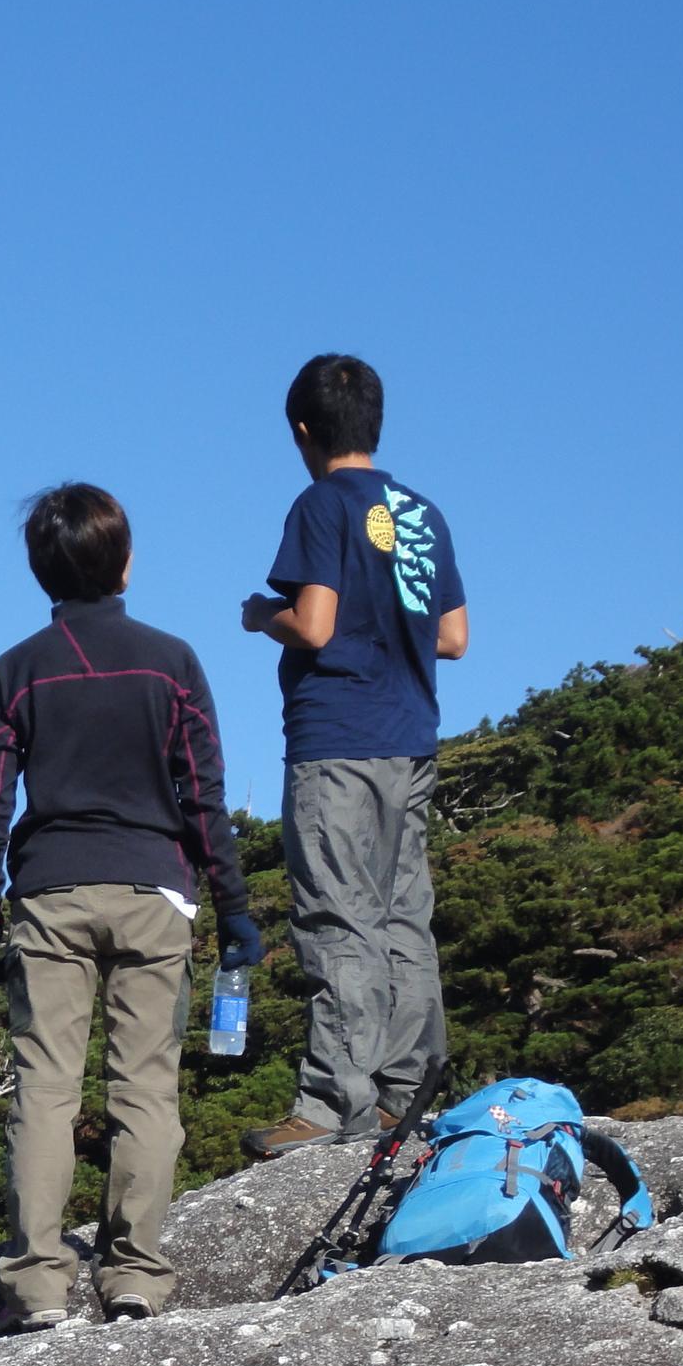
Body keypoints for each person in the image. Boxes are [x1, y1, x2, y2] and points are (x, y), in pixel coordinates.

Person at [0, 484, 260, 1332]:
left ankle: (38, 1286)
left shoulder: (16, 669)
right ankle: (133, 1275)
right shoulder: (173, 662)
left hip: (50, 892)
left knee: (45, 1090)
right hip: (153, 892)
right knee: (146, 1087)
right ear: (125, 561)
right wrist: (235, 907)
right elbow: (204, 797)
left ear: (38, 571)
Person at [239, 354, 469, 1157]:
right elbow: (454, 637)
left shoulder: (320, 505)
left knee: (338, 916)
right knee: (405, 915)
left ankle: (334, 1099)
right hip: (411, 737)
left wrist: (261, 614)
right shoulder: (421, 513)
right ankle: (405, 1094)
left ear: (302, 430)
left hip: (338, 738)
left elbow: (315, 624)